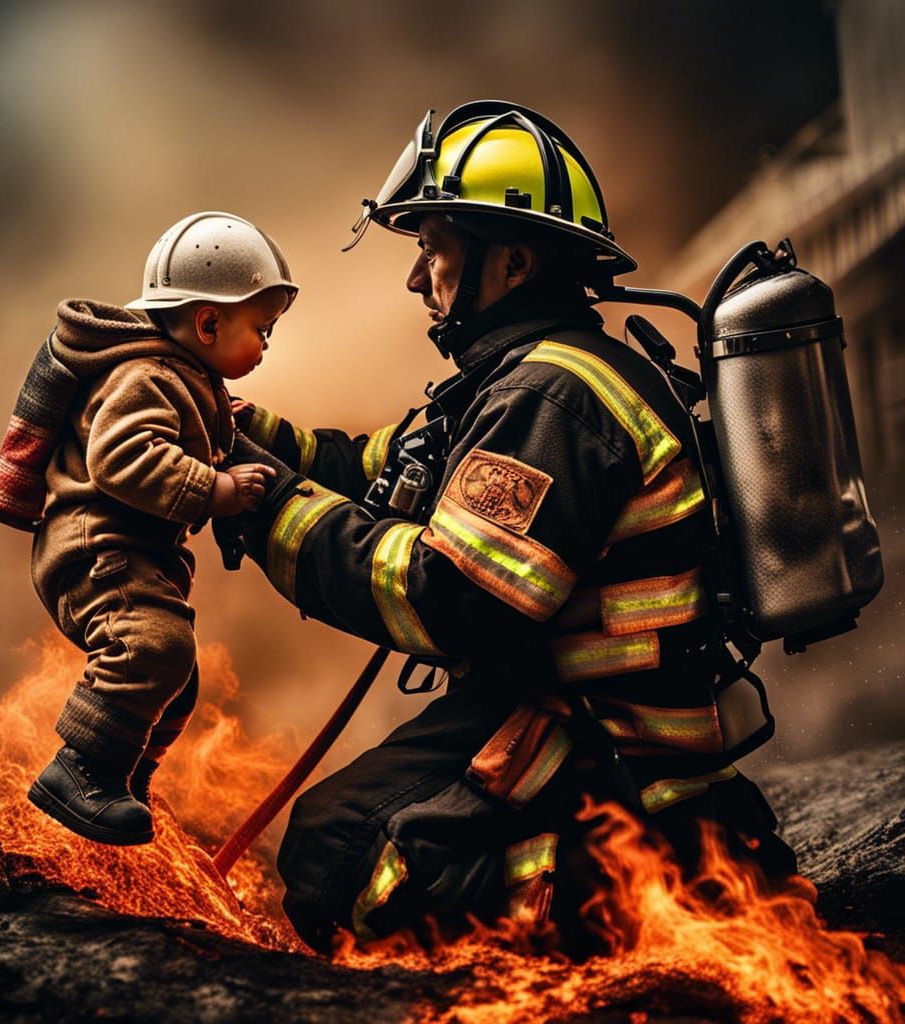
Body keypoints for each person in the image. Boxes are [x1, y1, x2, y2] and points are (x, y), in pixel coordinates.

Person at [221, 103, 796, 952]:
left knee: (339, 856)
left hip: (615, 760)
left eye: (434, 249)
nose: (419, 280)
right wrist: (225, 425)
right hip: (578, 725)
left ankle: (627, 898)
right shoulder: (530, 379)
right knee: (334, 830)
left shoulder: (548, 399)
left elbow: (453, 600)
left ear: (513, 260)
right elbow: (366, 470)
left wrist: (264, 506)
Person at [0, 211, 296, 845]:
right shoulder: (145, 376)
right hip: (96, 551)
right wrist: (216, 489)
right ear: (208, 322)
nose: (267, 346)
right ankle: (79, 771)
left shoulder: (184, 376)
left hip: (128, 555)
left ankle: (122, 779)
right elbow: (122, 457)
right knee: (155, 648)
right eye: (262, 330)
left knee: (176, 678)